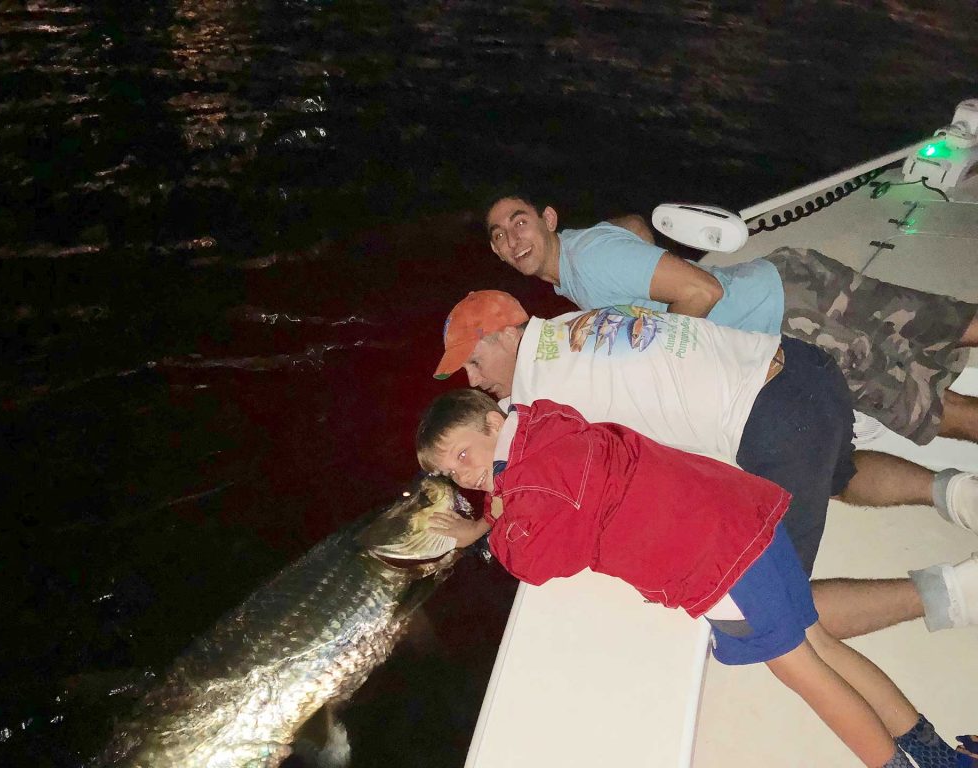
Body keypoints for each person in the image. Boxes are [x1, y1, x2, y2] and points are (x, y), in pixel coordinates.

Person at [416, 388, 976, 768]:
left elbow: (532, 559)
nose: (463, 476)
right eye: (449, 472)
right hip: (745, 514)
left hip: (717, 564)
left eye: (463, 456)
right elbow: (534, 493)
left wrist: (487, 528)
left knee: (804, 673)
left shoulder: (535, 484)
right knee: (821, 644)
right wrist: (491, 509)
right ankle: (937, 754)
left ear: (495, 425)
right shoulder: (546, 422)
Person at [431, 289, 978, 639]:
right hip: (801, 368)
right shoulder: (574, 323)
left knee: (762, 615)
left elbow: (529, 490)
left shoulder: (542, 394)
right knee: (839, 472)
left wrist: (480, 530)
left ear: (508, 332)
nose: (474, 380)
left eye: (475, 361)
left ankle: (958, 592)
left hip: (773, 421)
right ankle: (960, 494)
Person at [484, 194, 978, 447]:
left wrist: (653, 360)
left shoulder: (589, 262)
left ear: (548, 219)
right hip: (787, 280)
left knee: (922, 407)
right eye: (499, 235)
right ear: (497, 252)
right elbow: (633, 226)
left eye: (520, 222)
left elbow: (703, 291)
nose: (512, 238)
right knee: (940, 322)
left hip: (791, 320)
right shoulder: (577, 258)